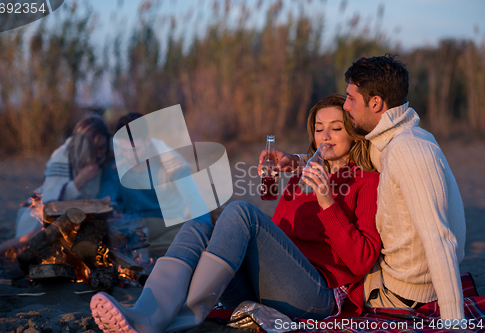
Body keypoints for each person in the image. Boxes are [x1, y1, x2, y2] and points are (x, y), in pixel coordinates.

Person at [90, 94, 381, 333]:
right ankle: (144, 313)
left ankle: (182, 317)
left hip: (315, 295)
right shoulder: (303, 173)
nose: (325, 136)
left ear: (354, 133)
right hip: (269, 285)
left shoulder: (366, 180)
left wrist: (328, 200)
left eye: (336, 128)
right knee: (197, 224)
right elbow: (279, 232)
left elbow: (360, 262)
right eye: (319, 129)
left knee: (240, 210)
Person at [272, 55, 466, 320]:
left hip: (397, 294)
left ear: (375, 102)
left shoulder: (408, 150)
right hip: (392, 280)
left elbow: (439, 239)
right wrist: (297, 161)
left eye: (352, 99)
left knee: (243, 218)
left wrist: (454, 322)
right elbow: (346, 154)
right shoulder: (390, 141)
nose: (347, 105)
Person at [97, 113, 212, 256]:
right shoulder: (117, 168)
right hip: (133, 227)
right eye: (125, 150)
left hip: (168, 225)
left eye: (135, 150)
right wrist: (113, 211)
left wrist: (206, 235)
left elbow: (195, 201)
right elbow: (106, 201)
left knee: (187, 235)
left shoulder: (172, 164)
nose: (130, 156)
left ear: (147, 141)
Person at [15, 116, 113, 238]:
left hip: (79, 219)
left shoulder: (105, 159)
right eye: (93, 149)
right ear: (82, 147)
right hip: (39, 217)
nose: (99, 154)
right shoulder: (62, 156)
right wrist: (80, 180)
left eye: (102, 147)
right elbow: (50, 200)